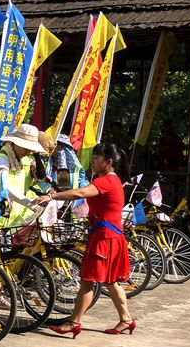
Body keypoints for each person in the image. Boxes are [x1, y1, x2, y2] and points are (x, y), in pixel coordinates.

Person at [33, 143, 135, 337]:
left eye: (97, 158)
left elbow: (80, 193)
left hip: (104, 238)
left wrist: (52, 196)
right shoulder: (112, 180)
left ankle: (73, 322)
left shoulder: (106, 181)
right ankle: (126, 320)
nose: (93, 162)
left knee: (88, 282)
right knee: (111, 282)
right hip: (110, 236)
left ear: (108, 162)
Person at [0, 124, 46, 228]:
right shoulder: (2, 159)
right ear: (15, 143)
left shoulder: (21, 160)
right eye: (26, 147)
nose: (29, 152)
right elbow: (5, 187)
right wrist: (30, 205)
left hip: (10, 218)